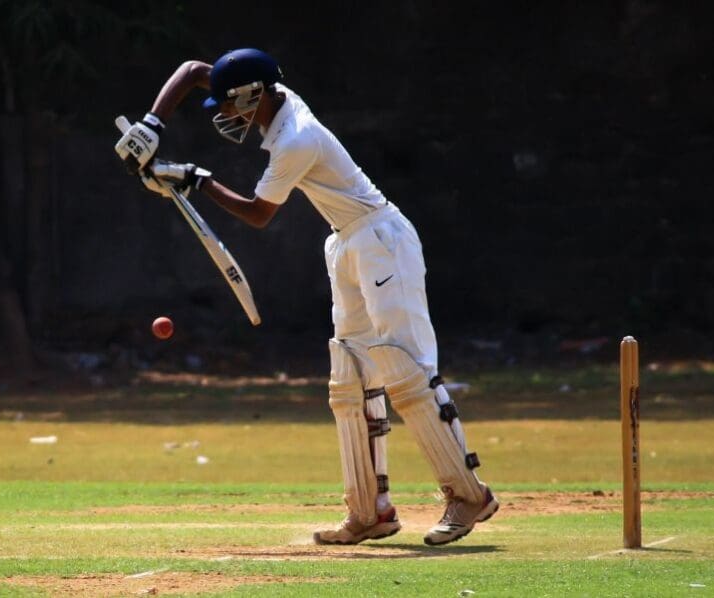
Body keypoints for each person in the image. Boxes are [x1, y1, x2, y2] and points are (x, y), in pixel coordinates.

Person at [114, 48, 498, 546]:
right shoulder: (268, 91)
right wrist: (151, 125)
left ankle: (469, 495)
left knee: (407, 373)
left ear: (252, 97)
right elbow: (191, 71)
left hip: (383, 240)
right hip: (345, 242)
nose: (225, 116)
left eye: (228, 107)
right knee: (350, 380)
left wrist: (195, 180)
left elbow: (258, 214)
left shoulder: (296, 139)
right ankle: (370, 512)